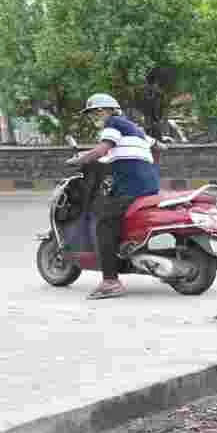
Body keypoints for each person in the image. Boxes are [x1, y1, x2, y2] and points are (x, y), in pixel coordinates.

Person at [65, 93, 161, 300]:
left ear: (103, 111)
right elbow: (159, 146)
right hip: (150, 186)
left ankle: (110, 281)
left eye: (93, 113)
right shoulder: (134, 128)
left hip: (132, 188)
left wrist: (80, 160)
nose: (93, 118)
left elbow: (102, 149)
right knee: (115, 212)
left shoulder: (113, 124)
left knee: (104, 222)